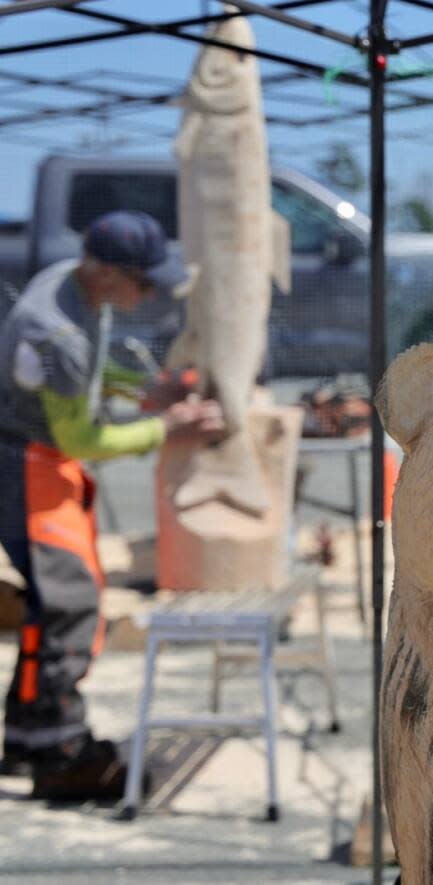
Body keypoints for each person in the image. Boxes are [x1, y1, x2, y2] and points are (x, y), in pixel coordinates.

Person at [0, 210, 224, 801]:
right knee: (70, 604)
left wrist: (144, 390)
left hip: (39, 462)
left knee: (50, 604)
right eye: (143, 282)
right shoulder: (57, 334)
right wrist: (164, 427)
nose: (148, 294)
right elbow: (82, 438)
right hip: (29, 468)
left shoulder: (73, 289)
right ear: (105, 273)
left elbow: (93, 375)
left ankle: (25, 734)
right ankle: (60, 752)